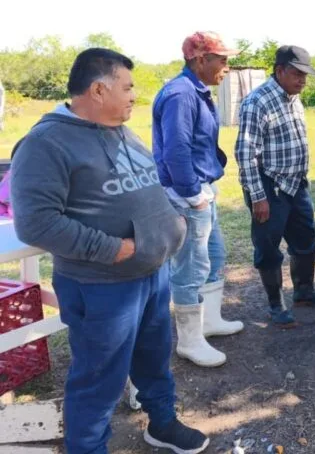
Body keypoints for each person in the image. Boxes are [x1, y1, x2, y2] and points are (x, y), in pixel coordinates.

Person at [11, 48, 208, 454]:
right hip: (101, 285)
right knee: (99, 377)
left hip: (152, 274)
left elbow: (147, 185)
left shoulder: (121, 129)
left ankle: (162, 423)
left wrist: (173, 223)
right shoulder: (45, 143)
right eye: (128, 86)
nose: (135, 95)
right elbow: (37, 222)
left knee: (154, 359)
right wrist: (114, 249)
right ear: (99, 90)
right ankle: (87, 448)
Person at [152, 31, 244, 368]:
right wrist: (193, 195)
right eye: (222, 59)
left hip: (202, 189)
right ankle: (189, 341)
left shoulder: (195, 90)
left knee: (214, 254)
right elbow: (176, 151)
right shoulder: (181, 94)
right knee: (191, 266)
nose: (227, 66)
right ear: (200, 59)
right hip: (187, 194)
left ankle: (209, 321)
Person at [235, 45, 315, 329]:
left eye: (305, 75)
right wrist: (258, 196)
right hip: (268, 185)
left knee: (307, 238)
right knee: (268, 246)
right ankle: (276, 306)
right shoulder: (257, 102)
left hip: (296, 183)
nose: (303, 80)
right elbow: (245, 153)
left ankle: (303, 291)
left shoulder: (294, 99)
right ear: (279, 71)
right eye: (297, 74)